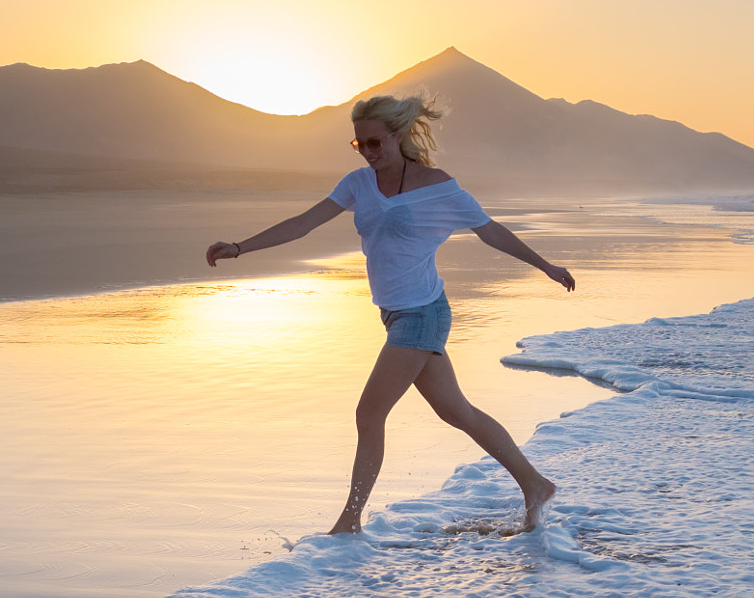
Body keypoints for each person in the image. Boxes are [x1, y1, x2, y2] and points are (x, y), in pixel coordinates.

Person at [206, 94, 574, 535]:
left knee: (369, 414)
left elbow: (490, 230)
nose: (369, 152)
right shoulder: (358, 183)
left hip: (423, 314)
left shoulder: (438, 186)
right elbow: (305, 222)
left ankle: (349, 522)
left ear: (398, 137)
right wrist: (241, 247)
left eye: (376, 143)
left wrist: (546, 267)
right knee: (458, 413)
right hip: (395, 314)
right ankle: (535, 485)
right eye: (360, 144)